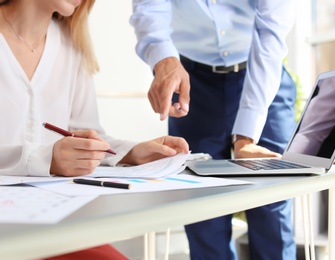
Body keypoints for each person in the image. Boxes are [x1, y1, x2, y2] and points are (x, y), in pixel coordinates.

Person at [0, 0, 189, 259]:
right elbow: (51, 155)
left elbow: (85, 132)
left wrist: (130, 153)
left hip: (51, 223)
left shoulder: (71, 47)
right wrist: (45, 159)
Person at [130, 1, 297, 259]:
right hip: (192, 82)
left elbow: (270, 37)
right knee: (202, 209)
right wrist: (163, 60)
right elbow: (149, 9)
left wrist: (246, 137)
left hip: (262, 76)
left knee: (272, 204)